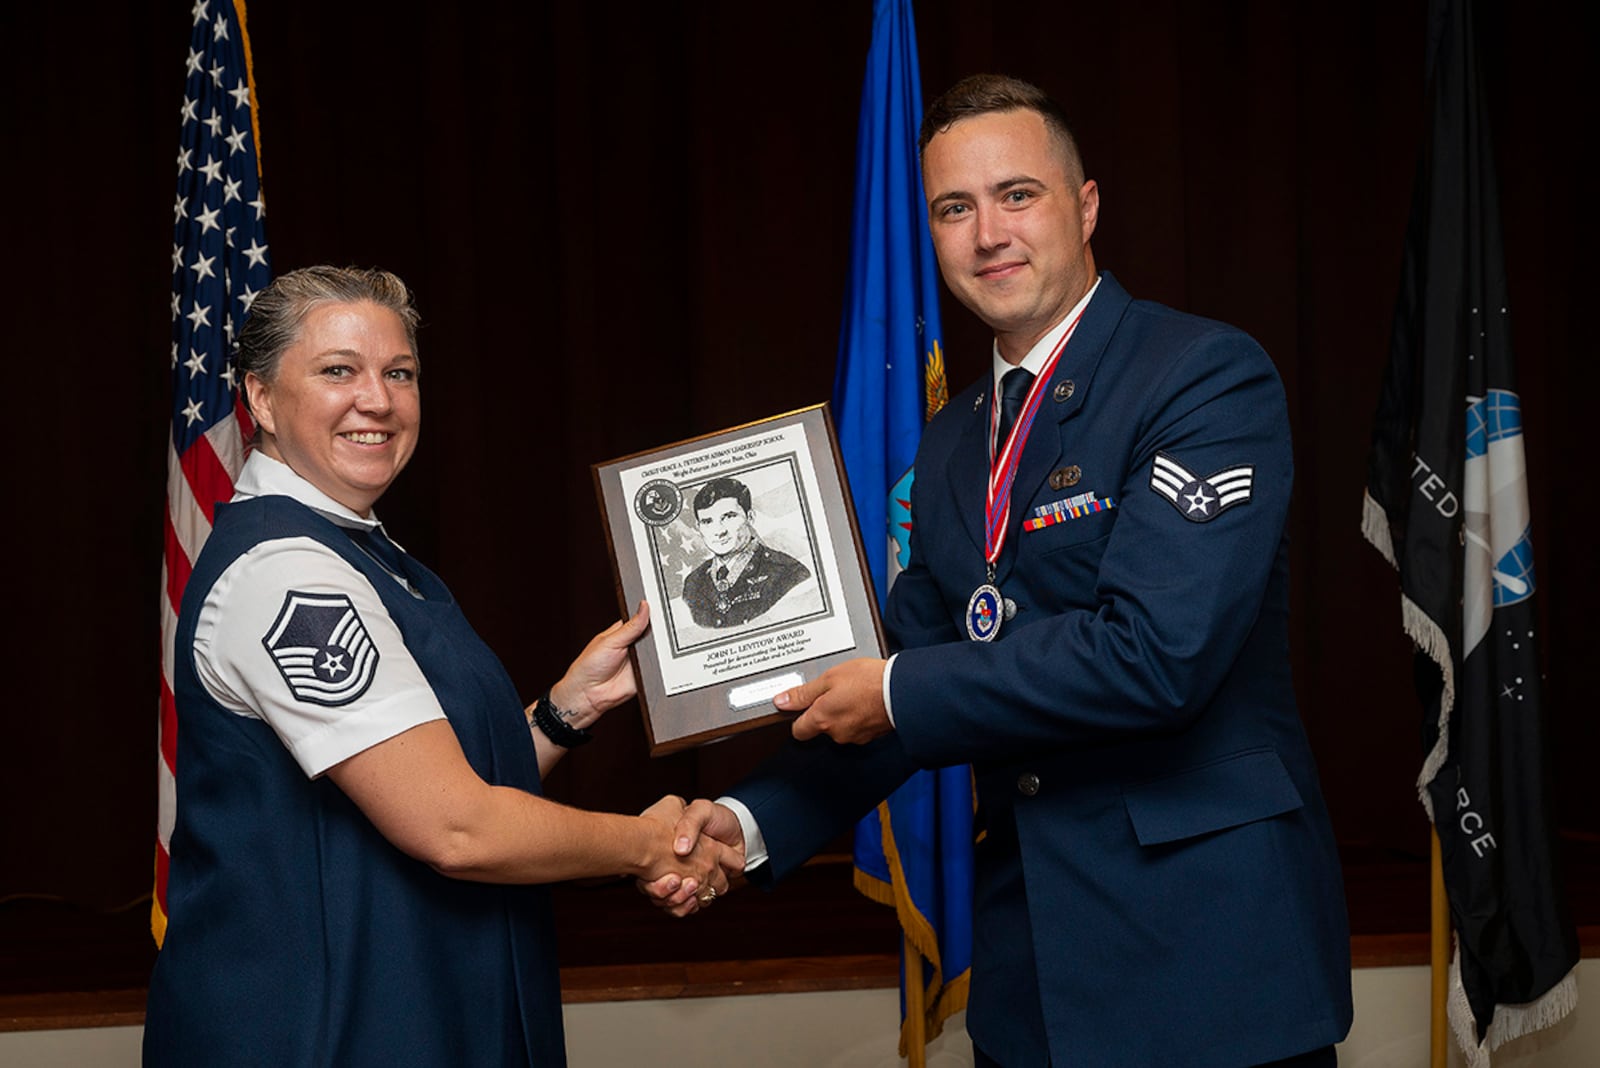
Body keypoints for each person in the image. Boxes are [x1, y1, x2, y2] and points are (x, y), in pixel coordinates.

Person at [654, 75, 1353, 1067]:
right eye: (954, 208)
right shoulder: (947, 447)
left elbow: (1153, 655)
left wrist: (892, 688)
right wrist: (748, 823)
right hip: (1031, 979)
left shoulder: (1201, 375)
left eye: (1017, 194)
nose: (988, 233)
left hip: (1207, 962)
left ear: (1085, 205)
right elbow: (914, 668)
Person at [143, 266, 740, 1066]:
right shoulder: (286, 573)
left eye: (400, 373)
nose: (378, 400)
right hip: (316, 1036)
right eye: (337, 371)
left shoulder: (370, 556)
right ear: (258, 399)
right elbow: (454, 825)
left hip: (416, 1011)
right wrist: (650, 844)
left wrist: (567, 709)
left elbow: (429, 775)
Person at [680, 475, 811, 628]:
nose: (719, 531)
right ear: (698, 527)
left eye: (729, 517)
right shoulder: (694, 582)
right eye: (707, 522)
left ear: (750, 517)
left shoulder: (788, 572)